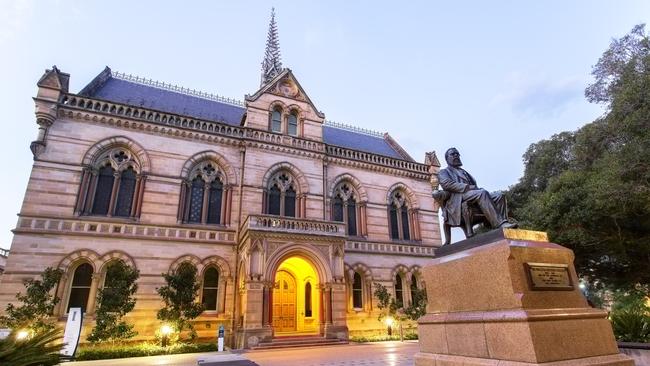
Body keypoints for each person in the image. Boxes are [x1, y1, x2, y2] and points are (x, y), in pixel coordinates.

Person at [437, 147, 516, 241]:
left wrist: (476, 189)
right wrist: (468, 187)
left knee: (500, 195)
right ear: (447, 158)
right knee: (482, 193)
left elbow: (475, 187)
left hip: (473, 194)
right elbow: (447, 184)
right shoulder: (443, 172)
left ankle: (500, 223)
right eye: (453, 154)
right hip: (458, 197)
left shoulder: (464, 172)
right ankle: (500, 224)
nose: (456, 156)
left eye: (457, 154)